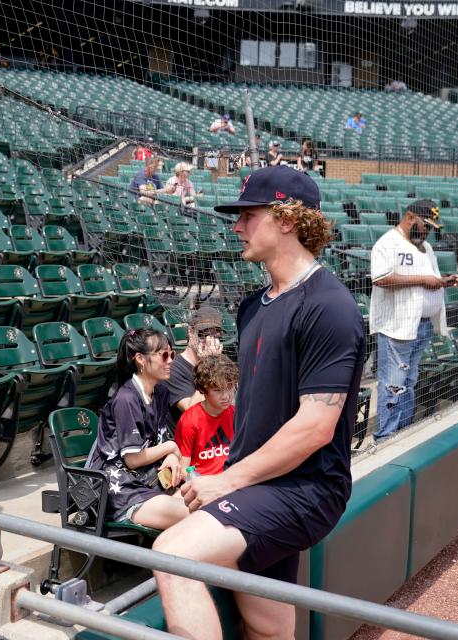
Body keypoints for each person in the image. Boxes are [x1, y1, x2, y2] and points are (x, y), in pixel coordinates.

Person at [153, 166, 365, 639]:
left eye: (248, 215)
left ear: (286, 219)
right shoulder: (253, 304)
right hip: (259, 485)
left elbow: (315, 428)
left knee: (170, 555)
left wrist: (226, 481)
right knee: (268, 628)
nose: (237, 226)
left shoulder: (330, 306)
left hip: (304, 490)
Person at [369, 199, 458, 442]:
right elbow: (380, 278)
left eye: (431, 227)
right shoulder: (388, 243)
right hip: (396, 327)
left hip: (420, 325)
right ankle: (386, 438)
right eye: (425, 225)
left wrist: (444, 281)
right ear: (410, 218)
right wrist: (422, 280)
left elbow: (430, 279)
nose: (428, 232)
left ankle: (403, 433)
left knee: (409, 382)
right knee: (393, 384)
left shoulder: (425, 248)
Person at [85, 329, 191, 531]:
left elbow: (159, 440)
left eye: (172, 354)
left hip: (149, 480)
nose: (170, 360)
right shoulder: (127, 399)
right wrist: (170, 447)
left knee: (208, 501)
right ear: (140, 359)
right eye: (163, 355)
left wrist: (171, 456)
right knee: (197, 514)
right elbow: (133, 459)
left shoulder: (160, 391)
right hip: (120, 489)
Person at [174, 354, 237, 477]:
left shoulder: (237, 414)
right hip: (203, 482)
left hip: (232, 479)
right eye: (218, 390)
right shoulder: (189, 420)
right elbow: (183, 469)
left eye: (229, 387)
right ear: (203, 390)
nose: (226, 396)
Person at [165, 306, 224, 424]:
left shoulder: (220, 363)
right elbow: (192, 411)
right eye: (204, 333)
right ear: (191, 332)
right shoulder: (173, 368)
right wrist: (208, 365)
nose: (210, 340)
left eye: (216, 334)